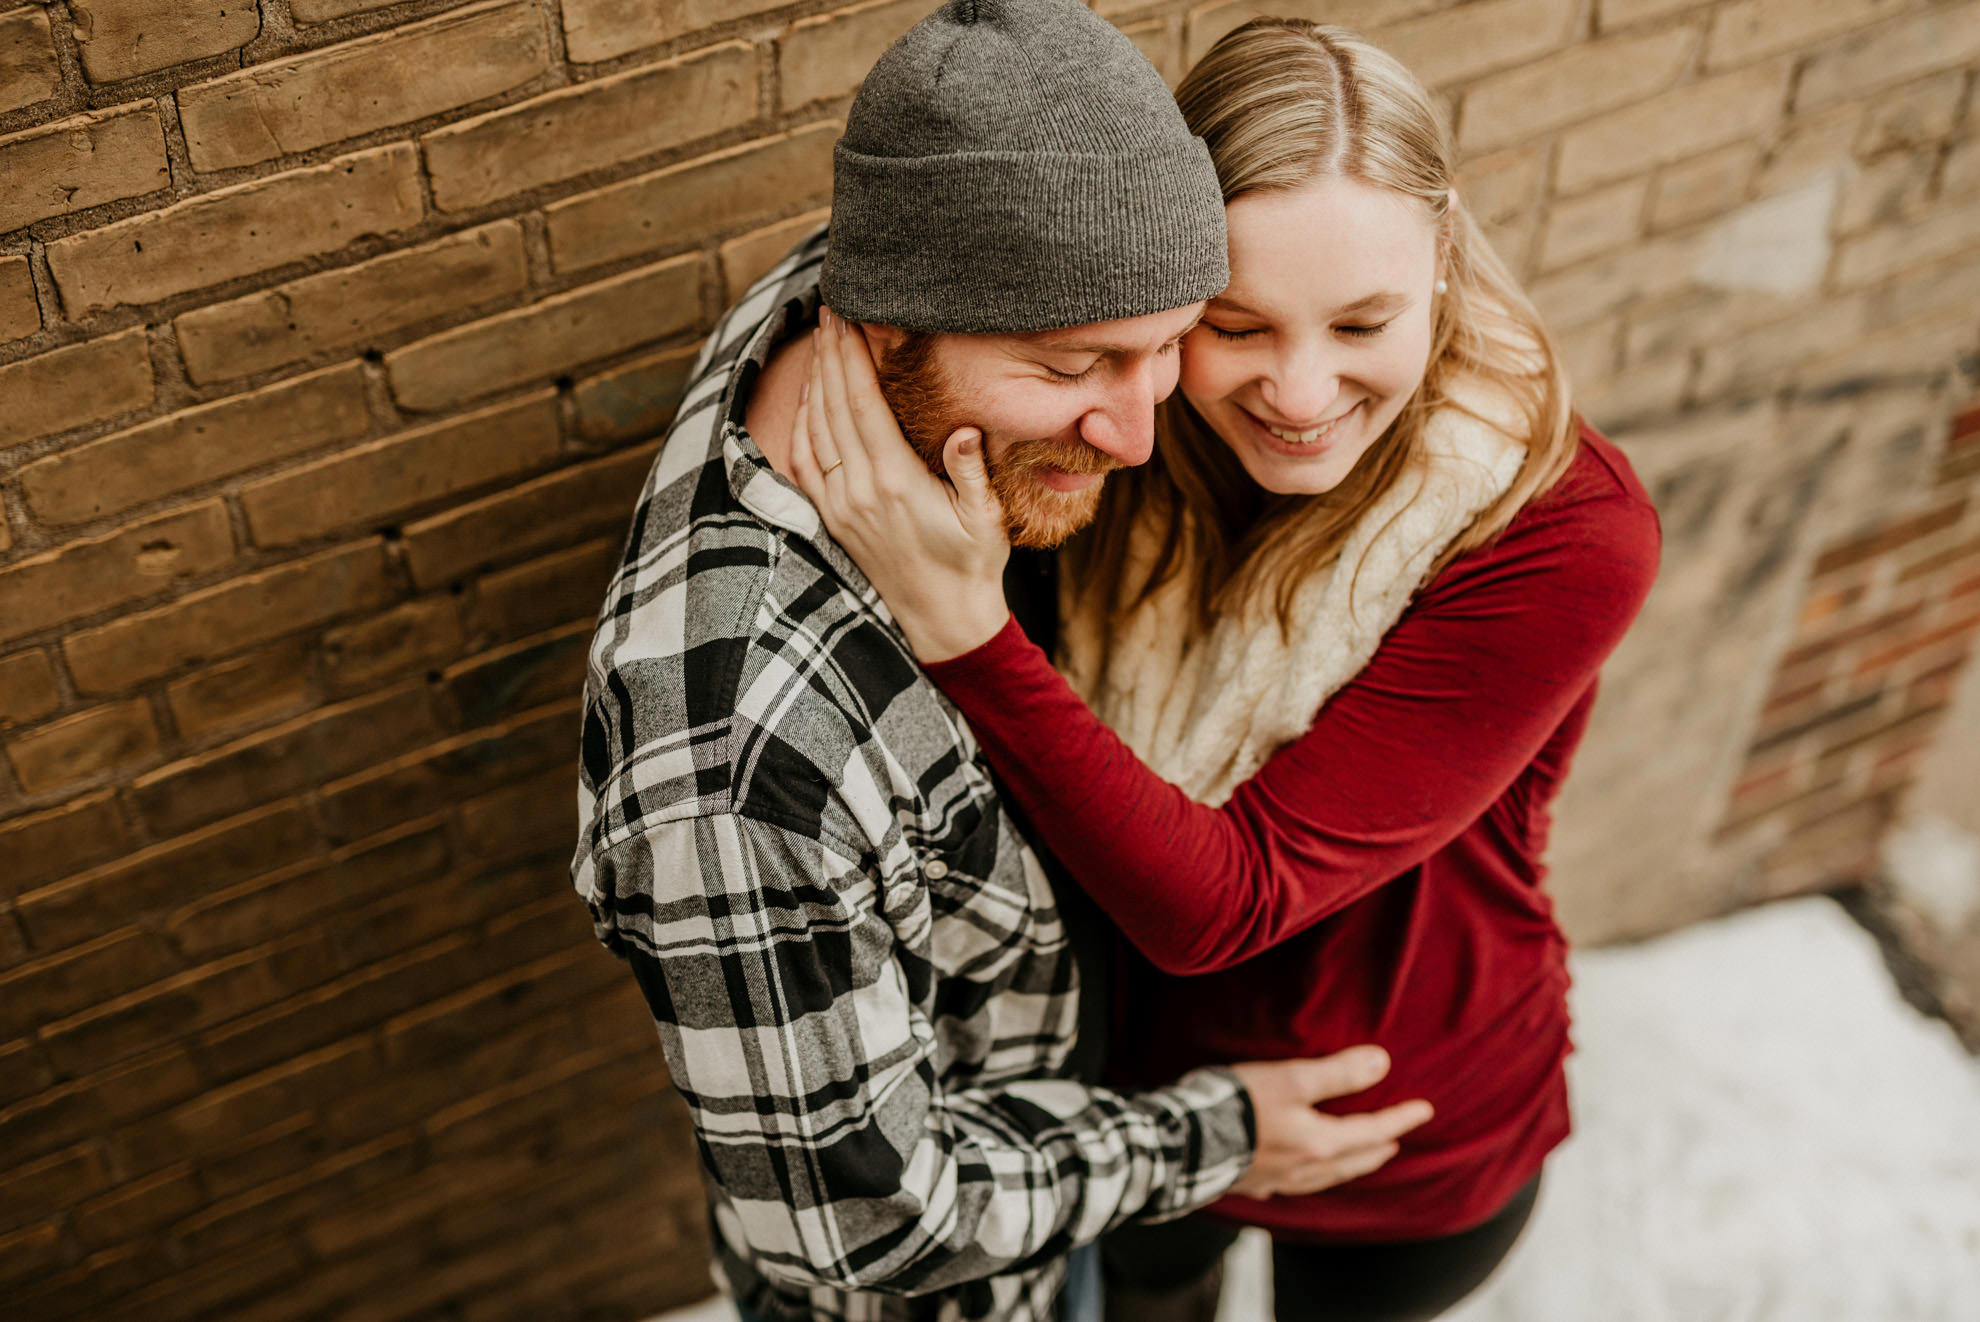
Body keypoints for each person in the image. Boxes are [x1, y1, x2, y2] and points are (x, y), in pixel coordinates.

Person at [786, 18, 1664, 1322]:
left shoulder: (1557, 526)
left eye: (1362, 319)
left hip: (1406, 1109)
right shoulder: (1126, 437)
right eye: (1236, 326)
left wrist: (966, 625)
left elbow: (1226, 898)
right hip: (1148, 1096)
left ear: (1443, 247)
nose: (1300, 393)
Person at [570, 6, 1435, 1322]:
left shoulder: (867, 316)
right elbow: (869, 1225)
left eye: (1167, 346)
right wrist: (1212, 1138)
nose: (1138, 434)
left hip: (1068, 1129)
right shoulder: (739, 766)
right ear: (885, 325)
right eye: (1077, 365)